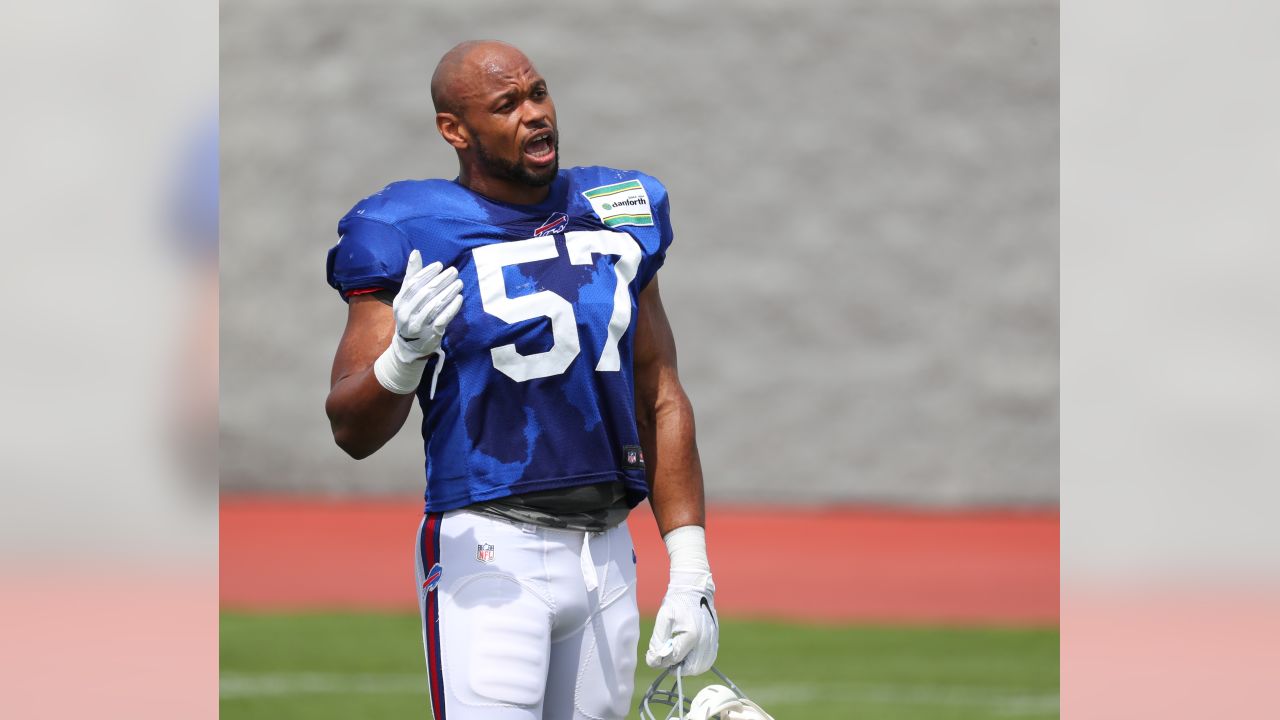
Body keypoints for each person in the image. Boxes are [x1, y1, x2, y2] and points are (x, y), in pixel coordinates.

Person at [324, 40, 719, 719]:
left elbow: (658, 394)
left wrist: (691, 569)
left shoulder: (621, 203)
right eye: (506, 105)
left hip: (607, 554)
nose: (534, 115)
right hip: (491, 549)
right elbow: (350, 427)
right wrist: (404, 356)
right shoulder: (406, 227)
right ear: (456, 130)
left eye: (538, 93)